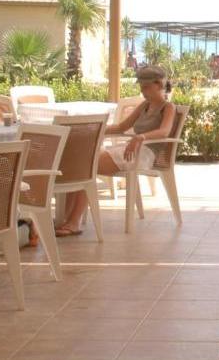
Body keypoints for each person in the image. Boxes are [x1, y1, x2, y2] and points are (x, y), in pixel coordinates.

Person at [54, 66, 177, 237]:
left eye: (146, 87)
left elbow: (164, 131)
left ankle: (73, 222)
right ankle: (65, 219)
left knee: (86, 165)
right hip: (129, 149)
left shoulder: (168, 107)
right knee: (80, 160)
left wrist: (140, 137)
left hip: (144, 154)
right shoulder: (144, 105)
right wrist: (91, 129)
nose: (143, 91)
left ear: (159, 84)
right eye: (141, 87)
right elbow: (121, 127)